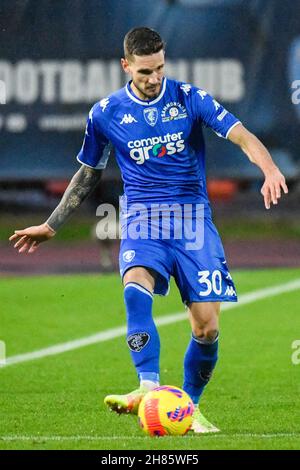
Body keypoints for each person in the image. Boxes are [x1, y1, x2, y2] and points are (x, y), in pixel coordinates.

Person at [10, 27, 288, 433]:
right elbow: (89, 173)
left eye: (159, 68)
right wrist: (52, 224)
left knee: (207, 327)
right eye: (144, 71)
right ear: (126, 66)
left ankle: (187, 409)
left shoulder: (189, 98)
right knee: (135, 286)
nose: (154, 77)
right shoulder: (105, 113)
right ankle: (147, 385)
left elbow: (241, 135)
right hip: (143, 217)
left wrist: (269, 168)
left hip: (193, 221)